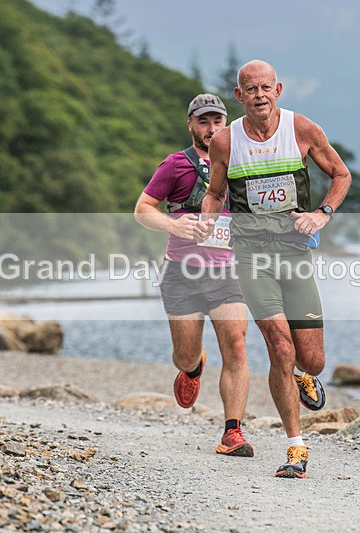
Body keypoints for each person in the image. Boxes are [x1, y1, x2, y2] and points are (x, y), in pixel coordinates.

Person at [201, 61, 351, 478]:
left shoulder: (301, 129)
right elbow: (214, 194)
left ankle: (305, 376)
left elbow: (340, 174)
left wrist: (322, 214)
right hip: (251, 257)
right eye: (251, 89)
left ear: (278, 90)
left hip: (294, 253)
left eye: (266, 87)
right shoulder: (226, 142)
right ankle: (296, 448)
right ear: (239, 95)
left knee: (313, 359)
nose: (259, 95)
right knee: (280, 348)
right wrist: (207, 219)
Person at [134, 93, 254, 458]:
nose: (211, 128)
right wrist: (175, 224)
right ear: (191, 125)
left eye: (218, 121)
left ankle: (232, 432)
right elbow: (142, 210)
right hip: (181, 274)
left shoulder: (243, 164)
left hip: (228, 274)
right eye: (203, 121)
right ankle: (193, 367)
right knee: (184, 356)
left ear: (227, 124)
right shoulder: (175, 165)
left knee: (235, 346)